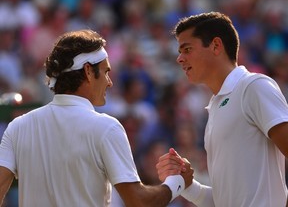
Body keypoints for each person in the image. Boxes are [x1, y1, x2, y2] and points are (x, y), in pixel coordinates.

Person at [0, 29, 193, 207]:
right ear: (88, 71)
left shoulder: (17, 127)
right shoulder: (107, 128)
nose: (109, 82)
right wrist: (176, 183)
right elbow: (138, 201)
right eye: (106, 71)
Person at [156, 12, 288, 207]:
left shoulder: (253, 86)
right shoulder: (216, 106)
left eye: (187, 49)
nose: (179, 59)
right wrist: (188, 185)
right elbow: (223, 201)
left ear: (216, 46)